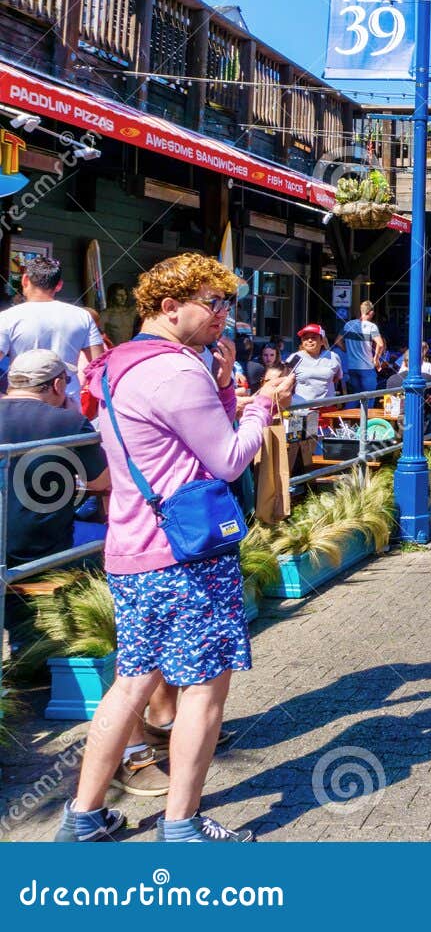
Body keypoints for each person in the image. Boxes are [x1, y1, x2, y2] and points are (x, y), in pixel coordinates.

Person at [59, 254, 294, 843]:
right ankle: (183, 825)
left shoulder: (115, 365)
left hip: (132, 547)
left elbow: (179, 443)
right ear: (170, 307)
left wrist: (220, 387)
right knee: (204, 687)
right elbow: (228, 458)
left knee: (133, 680)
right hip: (187, 556)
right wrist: (263, 400)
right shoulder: (175, 370)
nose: (224, 315)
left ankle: (83, 816)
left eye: (227, 303)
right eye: (213, 304)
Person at [0, 349, 110, 567]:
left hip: (11, 551)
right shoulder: (68, 422)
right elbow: (101, 482)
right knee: (106, 538)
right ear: (58, 384)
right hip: (41, 551)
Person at [0, 256, 105, 402]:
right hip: (68, 404)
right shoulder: (82, 316)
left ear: (25, 280)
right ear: (59, 285)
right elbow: (100, 365)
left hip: (23, 404)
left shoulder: (7, 317)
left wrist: (4, 399)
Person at [333, 301, 386, 395]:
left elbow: (337, 341)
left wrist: (347, 350)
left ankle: (349, 410)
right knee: (369, 397)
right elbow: (380, 344)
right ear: (371, 313)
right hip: (367, 367)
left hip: (352, 367)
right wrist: (376, 359)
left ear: (361, 311)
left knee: (356, 396)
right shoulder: (372, 326)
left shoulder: (348, 324)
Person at [285, 324, 343, 404]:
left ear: (322, 341)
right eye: (305, 338)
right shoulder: (295, 357)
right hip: (302, 407)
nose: (309, 340)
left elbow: (337, 378)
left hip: (327, 406)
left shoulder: (333, 357)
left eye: (313, 337)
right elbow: (285, 381)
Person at [99, 283, 139, 347]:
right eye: (119, 295)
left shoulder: (131, 312)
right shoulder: (105, 314)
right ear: (112, 296)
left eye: (125, 295)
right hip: (115, 350)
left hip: (130, 349)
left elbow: (145, 302)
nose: (123, 298)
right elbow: (99, 336)